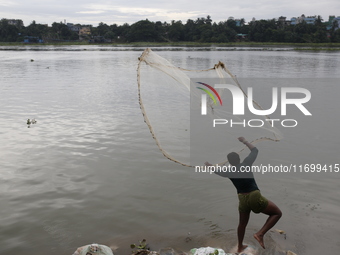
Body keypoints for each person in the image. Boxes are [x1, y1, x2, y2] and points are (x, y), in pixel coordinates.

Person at [205, 137, 282, 253]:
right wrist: (245, 141)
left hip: (242, 199)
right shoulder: (246, 163)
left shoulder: (228, 172)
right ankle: (260, 234)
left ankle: (240, 246)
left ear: (229, 162)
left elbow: (215, 170)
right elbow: (255, 150)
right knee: (277, 213)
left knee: (242, 224)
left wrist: (208, 165)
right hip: (254, 195)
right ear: (239, 158)